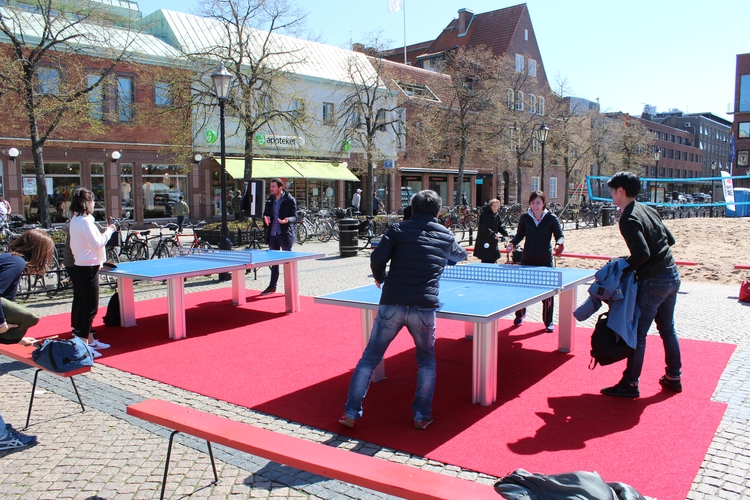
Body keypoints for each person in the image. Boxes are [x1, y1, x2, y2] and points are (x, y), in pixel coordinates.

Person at [339, 190, 468, 430]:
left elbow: (377, 257)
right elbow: (461, 255)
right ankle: (421, 417)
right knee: (426, 362)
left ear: (413, 209)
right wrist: (446, 256)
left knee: (369, 358)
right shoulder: (446, 235)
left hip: (393, 302)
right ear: (438, 212)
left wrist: (380, 276)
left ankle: (351, 412)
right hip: (424, 308)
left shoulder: (397, 230)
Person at [600, 171, 682, 398]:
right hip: (672, 275)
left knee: (638, 333)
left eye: (612, 191)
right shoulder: (648, 209)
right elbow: (670, 240)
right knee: (667, 328)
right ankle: (674, 376)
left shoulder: (627, 218)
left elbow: (642, 254)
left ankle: (630, 383)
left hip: (654, 281)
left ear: (621, 191)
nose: (611, 195)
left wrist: (620, 269)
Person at [0, 229, 57, 451]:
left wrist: (19, 340)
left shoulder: (8, 259)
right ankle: (3, 436)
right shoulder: (16, 263)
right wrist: (2, 324)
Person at [506, 191, 564, 332]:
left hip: (545, 260)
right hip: (528, 258)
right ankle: (520, 314)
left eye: (538, 203)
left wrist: (558, 245)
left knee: (548, 294)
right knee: (522, 290)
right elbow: (520, 234)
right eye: (532, 203)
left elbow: (560, 236)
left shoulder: (551, 218)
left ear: (543, 203)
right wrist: (512, 244)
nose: (535, 206)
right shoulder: (525, 218)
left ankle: (548, 322)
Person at [68, 188, 116, 358]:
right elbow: (97, 243)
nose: (94, 204)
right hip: (87, 266)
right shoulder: (85, 220)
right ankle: (83, 346)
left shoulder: (76, 219)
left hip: (83, 264)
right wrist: (110, 230)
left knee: (87, 305)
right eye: (93, 201)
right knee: (90, 308)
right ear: (88, 203)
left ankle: (89, 340)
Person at [261, 179, 297, 296]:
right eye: (270, 186)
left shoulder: (290, 200)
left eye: (273, 186)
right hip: (272, 234)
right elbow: (266, 213)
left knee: (288, 262)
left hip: (284, 234)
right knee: (274, 262)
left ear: (280, 188)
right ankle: (272, 286)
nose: (271, 188)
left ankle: (291, 287)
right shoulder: (270, 200)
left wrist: (287, 220)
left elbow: (295, 217)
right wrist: (266, 218)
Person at [473, 198, 509, 264]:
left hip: (493, 241)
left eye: (497, 206)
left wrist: (505, 233)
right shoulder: (485, 215)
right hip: (485, 241)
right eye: (494, 206)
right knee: (486, 260)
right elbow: (485, 228)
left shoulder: (496, 215)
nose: (496, 208)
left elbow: (500, 226)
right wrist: (493, 234)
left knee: (493, 258)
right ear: (490, 206)